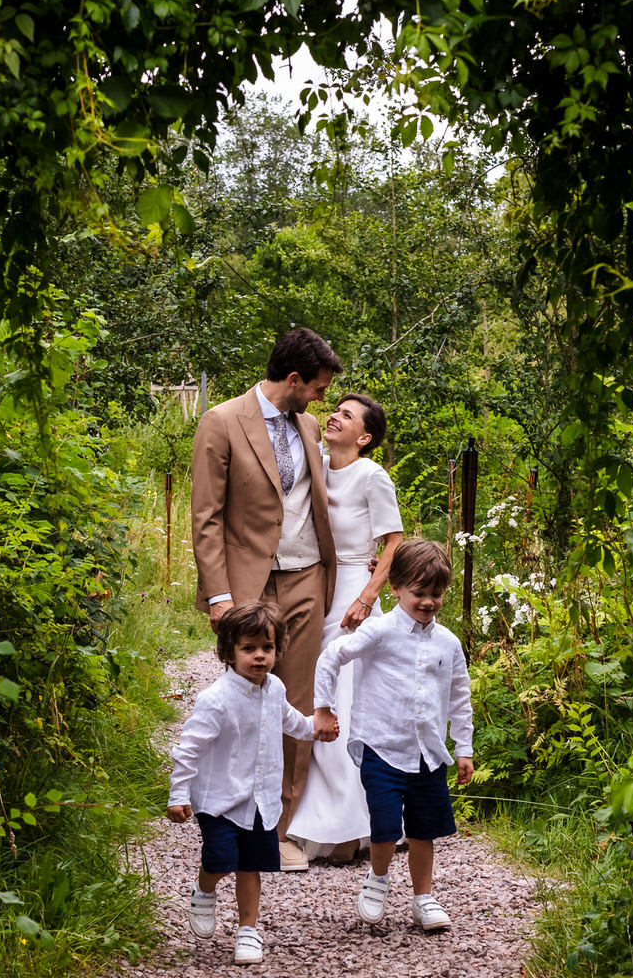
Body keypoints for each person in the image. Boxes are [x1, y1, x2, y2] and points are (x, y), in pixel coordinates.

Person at [191, 327, 341, 872]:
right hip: (248, 585)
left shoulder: (309, 426)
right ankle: (224, 810)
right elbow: (205, 517)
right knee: (238, 706)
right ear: (294, 379)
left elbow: (318, 500)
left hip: (306, 577)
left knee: (296, 701)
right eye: (319, 387)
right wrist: (219, 596)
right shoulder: (222, 421)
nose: (323, 398)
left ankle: (282, 829)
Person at [311, 539, 475, 931]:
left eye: (436, 594)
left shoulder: (448, 643)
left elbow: (459, 697)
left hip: (427, 753)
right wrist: (323, 707)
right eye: (420, 593)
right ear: (396, 587)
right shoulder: (379, 632)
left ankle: (424, 898)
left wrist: (464, 747)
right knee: (385, 827)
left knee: (423, 831)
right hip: (381, 748)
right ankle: (378, 879)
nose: (428, 602)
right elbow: (332, 656)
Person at [166, 602, 339, 965]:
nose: (259, 656)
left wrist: (315, 729)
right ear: (229, 652)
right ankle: (204, 889)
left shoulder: (274, 687)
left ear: (278, 650)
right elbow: (188, 749)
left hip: (261, 801)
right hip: (221, 800)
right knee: (220, 860)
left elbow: (290, 721)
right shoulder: (215, 700)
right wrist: (179, 793)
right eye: (248, 649)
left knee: (250, 866)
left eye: (267, 648)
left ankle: (248, 930)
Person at [286, 393, 404, 863]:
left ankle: (354, 822)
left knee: (345, 697)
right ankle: (325, 811)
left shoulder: (371, 475)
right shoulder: (315, 460)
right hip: (319, 582)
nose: (334, 415)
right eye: (335, 408)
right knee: (316, 686)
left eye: (347, 415)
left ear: (365, 437)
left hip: (355, 587)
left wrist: (367, 597)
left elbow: (394, 539)